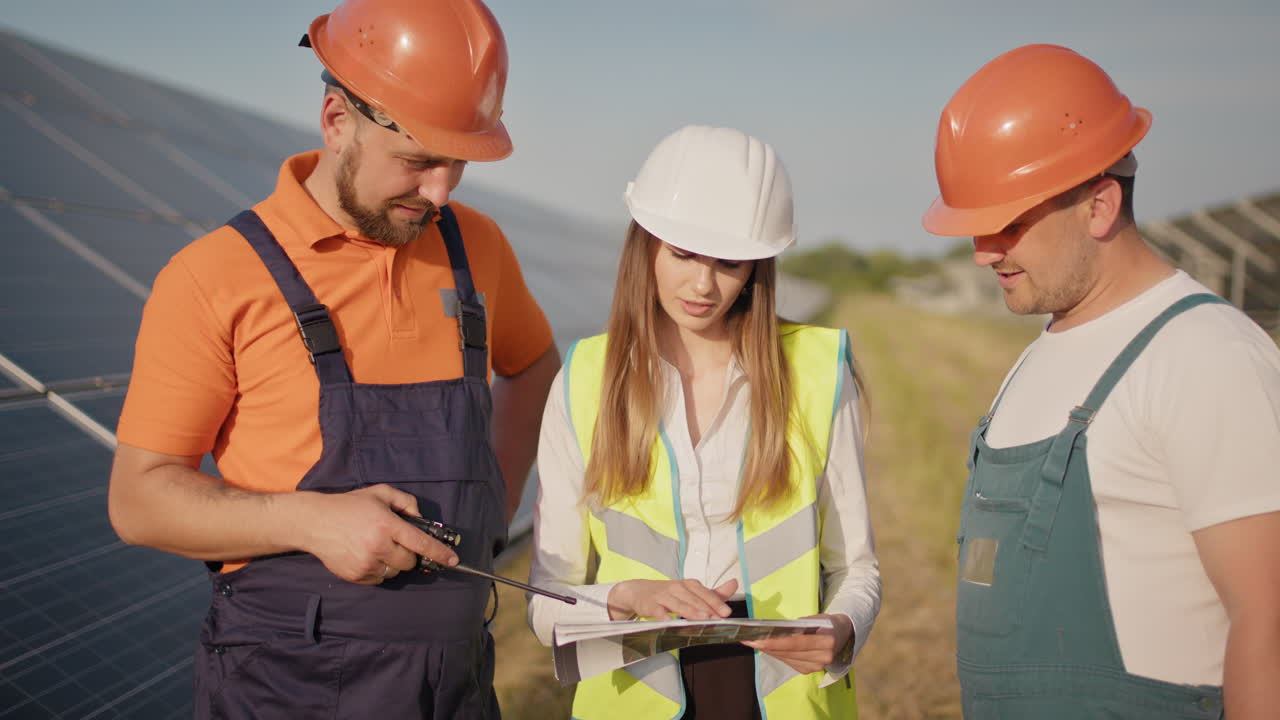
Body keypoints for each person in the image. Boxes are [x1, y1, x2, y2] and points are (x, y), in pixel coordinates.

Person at [107, 1, 560, 717]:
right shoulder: (214, 276)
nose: (439, 191)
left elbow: (533, 365)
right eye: (417, 161)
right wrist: (311, 523)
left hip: (459, 687)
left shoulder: (478, 249)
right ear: (337, 119)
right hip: (285, 691)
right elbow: (138, 500)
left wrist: (495, 502)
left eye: (457, 165)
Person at [922, 44, 1280, 719]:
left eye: (1007, 222)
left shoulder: (1206, 356)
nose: (982, 252)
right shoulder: (1042, 351)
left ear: (1099, 205)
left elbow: (1271, 621)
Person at [527, 124, 881, 720]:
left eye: (729, 263)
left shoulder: (819, 373)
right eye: (684, 253)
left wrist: (841, 628)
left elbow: (856, 567)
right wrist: (628, 598)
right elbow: (544, 600)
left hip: (780, 696)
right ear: (645, 245)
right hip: (634, 690)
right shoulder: (583, 380)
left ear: (757, 267)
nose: (703, 284)